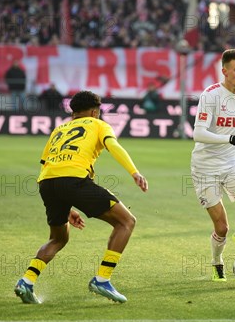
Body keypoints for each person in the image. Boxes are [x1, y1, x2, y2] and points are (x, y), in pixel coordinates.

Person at [14, 91, 148, 304]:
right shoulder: (98, 124)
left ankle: (26, 281)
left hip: (47, 183)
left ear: (74, 111)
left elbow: (46, 165)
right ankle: (102, 279)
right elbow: (113, 145)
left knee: (58, 238)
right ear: (95, 111)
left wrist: (67, 208)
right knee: (126, 222)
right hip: (74, 180)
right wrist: (134, 172)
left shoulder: (59, 129)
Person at [190, 48, 235, 281]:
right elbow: (198, 134)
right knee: (221, 227)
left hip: (231, 162)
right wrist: (229, 139)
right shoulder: (210, 96)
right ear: (225, 71)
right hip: (205, 167)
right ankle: (216, 262)